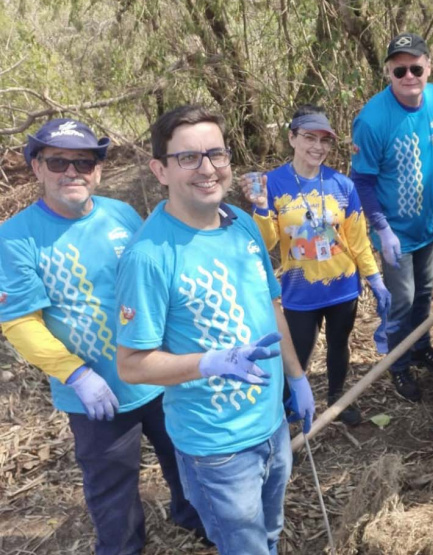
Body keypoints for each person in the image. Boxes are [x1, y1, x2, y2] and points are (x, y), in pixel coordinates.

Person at [115, 105, 315, 555]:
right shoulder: (149, 255)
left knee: (269, 532)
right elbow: (130, 365)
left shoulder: (241, 224)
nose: (206, 169)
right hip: (217, 450)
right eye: (188, 158)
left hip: (272, 426)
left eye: (216, 154)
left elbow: (270, 304)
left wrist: (297, 378)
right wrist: (210, 363)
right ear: (159, 170)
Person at [0, 118, 205, 554]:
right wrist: (77, 375)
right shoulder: (16, 237)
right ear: (37, 167)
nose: (72, 171)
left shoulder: (122, 214)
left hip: (157, 373)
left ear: (98, 170)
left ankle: (196, 521)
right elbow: (19, 322)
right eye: (58, 161)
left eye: (84, 162)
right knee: (112, 488)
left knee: (184, 458)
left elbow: (156, 281)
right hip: (97, 396)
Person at [244, 105, 390, 426]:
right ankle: (285, 411)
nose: (318, 147)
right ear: (292, 137)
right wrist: (259, 208)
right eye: (309, 137)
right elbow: (265, 242)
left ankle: (337, 399)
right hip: (299, 292)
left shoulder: (342, 185)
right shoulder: (272, 184)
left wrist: (375, 279)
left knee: (339, 347)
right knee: (297, 356)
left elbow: (357, 240)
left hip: (343, 288)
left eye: (325, 141)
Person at [350, 32, 433, 402]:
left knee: (423, 296)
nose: (409, 76)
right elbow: (362, 181)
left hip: (427, 225)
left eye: (416, 67)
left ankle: (419, 349)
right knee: (400, 302)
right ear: (388, 72)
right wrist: (381, 230)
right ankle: (398, 367)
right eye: (399, 70)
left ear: (428, 67)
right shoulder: (372, 120)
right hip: (394, 232)